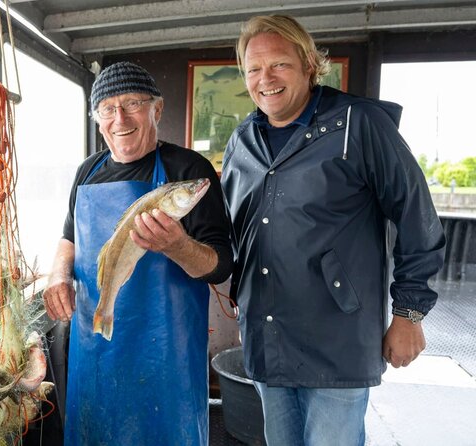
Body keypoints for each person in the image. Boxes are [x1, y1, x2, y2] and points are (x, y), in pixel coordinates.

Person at [221, 15, 446, 446]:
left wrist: (409, 313)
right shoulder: (242, 140)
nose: (265, 79)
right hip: (267, 336)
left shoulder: (359, 124)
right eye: (253, 69)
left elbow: (418, 216)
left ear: (308, 64)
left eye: (279, 65)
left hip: (337, 339)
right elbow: (234, 232)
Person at [43, 61, 233, 446]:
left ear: (156, 110)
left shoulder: (188, 170)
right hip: (96, 340)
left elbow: (221, 264)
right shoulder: (87, 171)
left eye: (132, 103)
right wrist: (58, 275)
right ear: (98, 120)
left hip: (167, 351)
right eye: (108, 108)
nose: (120, 118)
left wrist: (178, 247)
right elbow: (69, 239)